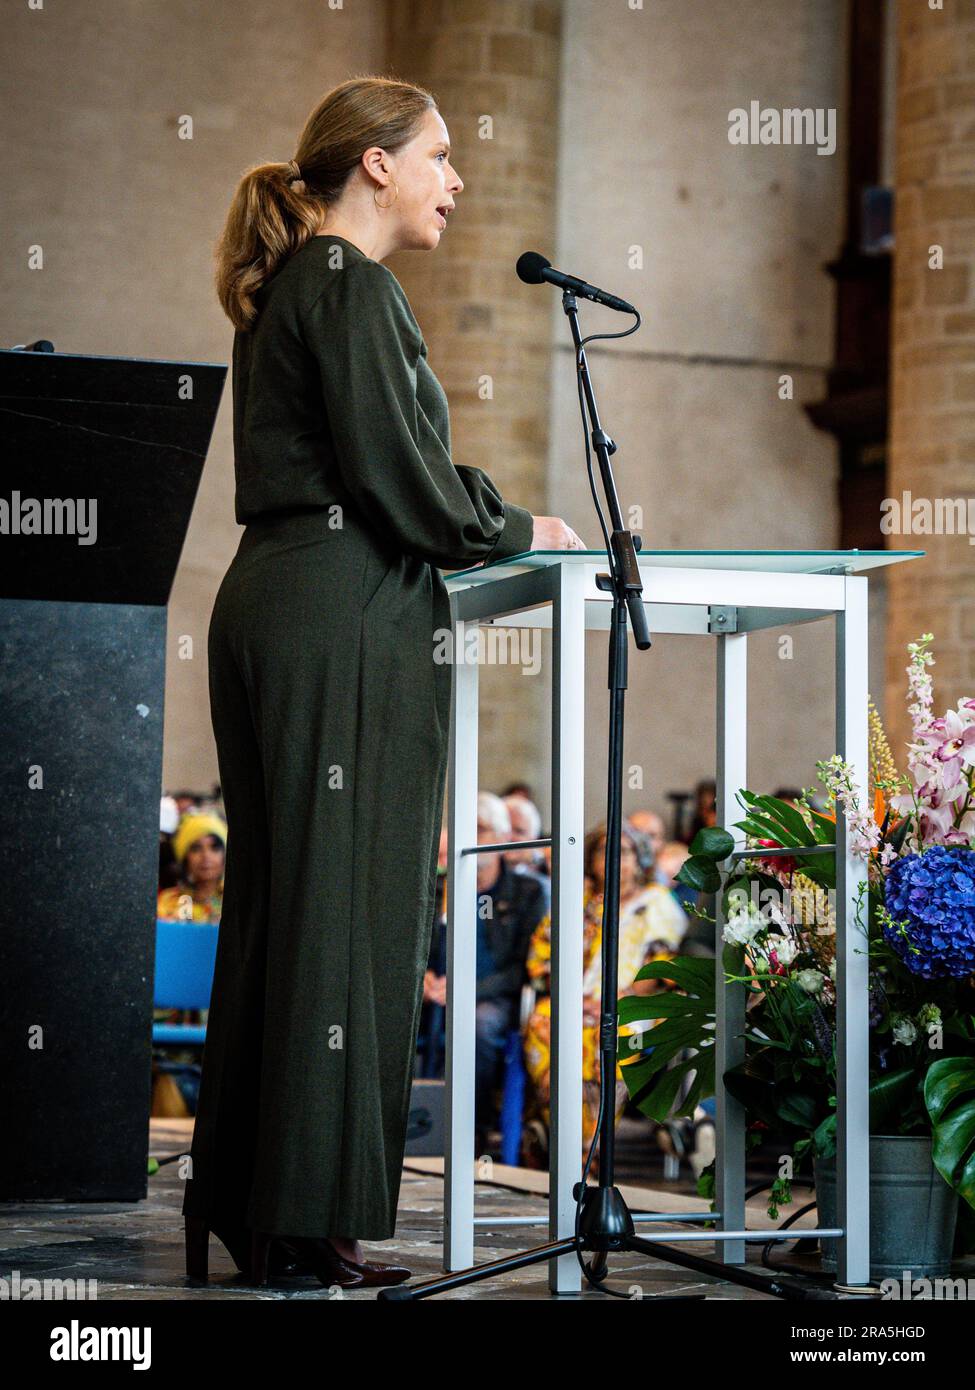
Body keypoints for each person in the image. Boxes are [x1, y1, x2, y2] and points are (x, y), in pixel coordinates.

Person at [180, 75, 585, 1293]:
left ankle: (251, 1196)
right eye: (441, 156)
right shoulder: (350, 284)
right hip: (338, 613)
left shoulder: (300, 286)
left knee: (286, 910)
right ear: (374, 165)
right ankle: (304, 1217)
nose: (456, 181)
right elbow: (403, 475)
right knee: (347, 920)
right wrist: (522, 523)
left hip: (284, 597)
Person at [522, 821, 689, 1163]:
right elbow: (541, 956)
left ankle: (590, 1148)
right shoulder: (576, 901)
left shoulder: (657, 903)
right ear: (591, 858)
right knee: (544, 1022)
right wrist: (574, 997)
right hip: (572, 998)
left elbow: (664, 967)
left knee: (609, 1035)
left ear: (639, 858)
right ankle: (559, 1128)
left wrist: (617, 998)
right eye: (603, 850)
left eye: (624, 851)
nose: (614, 859)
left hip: (634, 1002)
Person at [424, 793, 548, 1153]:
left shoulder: (528, 892)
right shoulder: (438, 887)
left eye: (481, 828)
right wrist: (422, 979)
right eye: (465, 826)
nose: (471, 836)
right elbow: (412, 947)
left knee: (476, 1026)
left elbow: (525, 968)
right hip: (437, 990)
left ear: (504, 838)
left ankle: (467, 1129)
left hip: (495, 996)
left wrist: (467, 991)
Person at [156, 812, 226, 924]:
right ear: (185, 857)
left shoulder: (236, 900)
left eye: (214, 848)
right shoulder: (168, 902)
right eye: (196, 848)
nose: (206, 856)